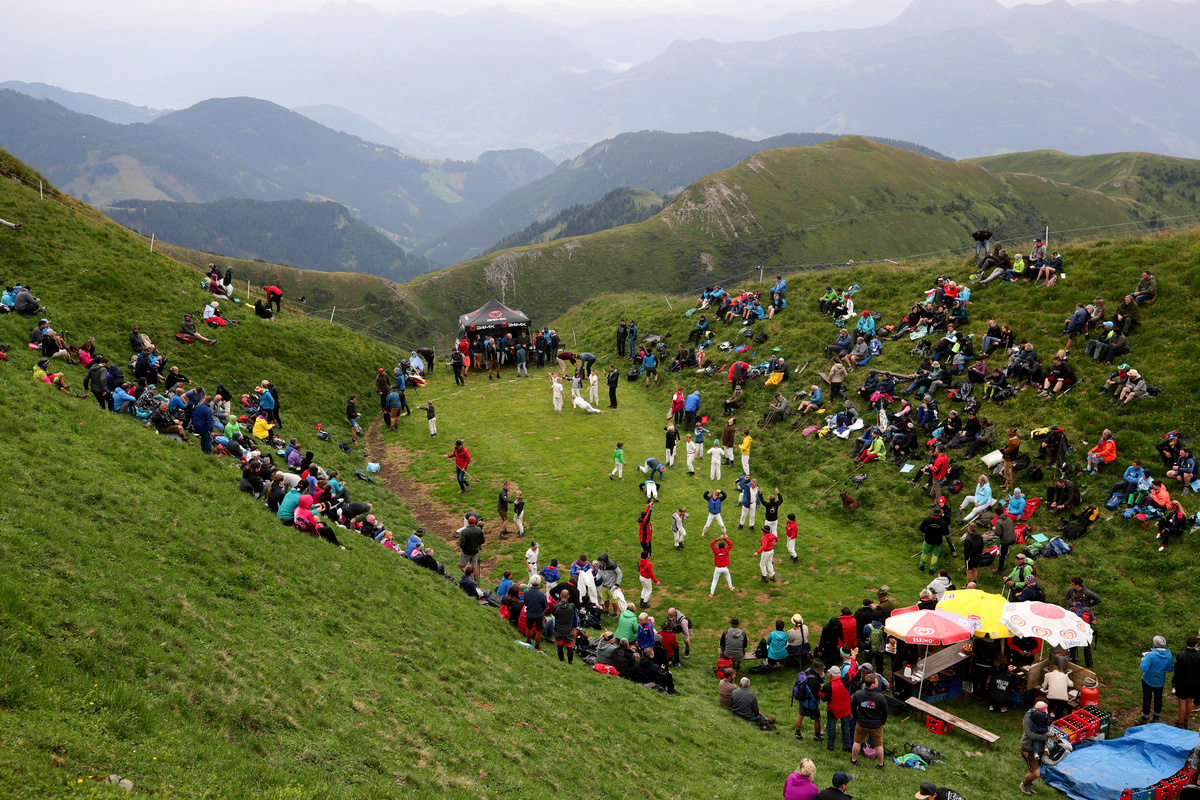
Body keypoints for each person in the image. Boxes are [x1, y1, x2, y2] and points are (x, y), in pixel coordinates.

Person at [849, 673, 887, 768]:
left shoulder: (858, 694)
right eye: (877, 681)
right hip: (876, 725)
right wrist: (882, 722)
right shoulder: (880, 697)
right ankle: (880, 764)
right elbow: (885, 712)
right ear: (872, 684)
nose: (878, 682)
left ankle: (853, 759)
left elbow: (852, 707)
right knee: (879, 745)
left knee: (857, 742)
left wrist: (857, 717)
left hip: (861, 723)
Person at [1020, 700, 1053, 795]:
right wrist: (1048, 737)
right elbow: (1032, 735)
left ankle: (1028, 784)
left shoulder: (1040, 715)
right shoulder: (1029, 717)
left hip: (1038, 749)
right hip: (1029, 749)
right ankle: (1023, 784)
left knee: (1032, 769)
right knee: (1036, 773)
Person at [821, 664, 855, 753]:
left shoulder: (827, 686)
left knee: (831, 729)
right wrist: (853, 659)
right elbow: (851, 672)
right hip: (845, 710)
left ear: (831, 675)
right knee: (845, 727)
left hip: (833, 711)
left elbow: (822, 697)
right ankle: (846, 746)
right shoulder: (845, 681)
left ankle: (831, 746)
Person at [1141, 635, 1174, 722]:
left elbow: (1144, 668)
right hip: (1160, 680)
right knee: (1158, 698)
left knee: (1147, 698)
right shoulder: (1168, 655)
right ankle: (1156, 717)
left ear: (1155, 644)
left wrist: (1143, 659)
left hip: (1148, 680)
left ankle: (1145, 717)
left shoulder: (1150, 655)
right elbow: (1170, 669)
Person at [1173, 636, 1200, 730]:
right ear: (1196, 645)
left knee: (1182, 702)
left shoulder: (1181, 655)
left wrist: (1174, 682)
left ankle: (1180, 723)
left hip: (1183, 683)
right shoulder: (1199, 655)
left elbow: (1177, 671)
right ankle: (1186, 721)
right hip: (1195, 683)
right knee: (1189, 702)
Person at [523, 575, 548, 652]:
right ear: (539, 583)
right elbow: (545, 605)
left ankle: (528, 642)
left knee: (529, 628)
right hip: (539, 614)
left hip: (530, 613)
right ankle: (537, 646)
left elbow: (525, 602)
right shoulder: (541, 594)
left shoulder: (526, 592)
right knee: (538, 630)